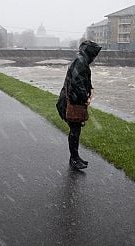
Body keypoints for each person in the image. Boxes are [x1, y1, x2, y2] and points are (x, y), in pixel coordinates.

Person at [56, 40, 101, 170]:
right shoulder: (81, 62)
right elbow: (77, 83)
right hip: (72, 102)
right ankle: (74, 159)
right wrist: (85, 98)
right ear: (90, 52)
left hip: (72, 100)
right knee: (75, 131)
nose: (95, 57)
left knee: (75, 130)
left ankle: (75, 157)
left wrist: (89, 89)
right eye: (94, 54)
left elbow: (81, 81)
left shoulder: (81, 60)